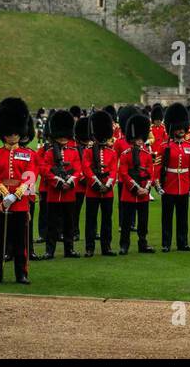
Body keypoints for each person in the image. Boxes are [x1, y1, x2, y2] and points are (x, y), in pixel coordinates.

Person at [0, 97, 35, 285]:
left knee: (20, 242)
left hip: (20, 203)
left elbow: (30, 177)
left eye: (15, 133)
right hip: (0, 203)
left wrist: (15, 195)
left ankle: (21, 273)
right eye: (9, 133)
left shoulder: (28, 154)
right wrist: (5, 194)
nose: (12, 136)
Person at [39, 109, 81, 259]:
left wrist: (69, 181)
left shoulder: (73, 151)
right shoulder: (50, 152)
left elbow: (78, 169)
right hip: (54, 193)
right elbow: (44, 169)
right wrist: (56, 180)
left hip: (69, 193)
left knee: (69, 223)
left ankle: (69, 249)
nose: (63, 138)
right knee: (52, 223)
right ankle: (49, 250)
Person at [157, 103, 190, 252]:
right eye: (178, 128)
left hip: (184, 186)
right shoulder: (164, 146)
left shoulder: (189, 146)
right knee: (167, 218)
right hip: (169, 185)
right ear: (172, 129)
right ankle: (166, 243)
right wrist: (158, 184)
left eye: (182, 128)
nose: (180, 131)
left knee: (182, 218)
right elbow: (158, 167)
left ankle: (182, 242)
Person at [118, 113, 156, 254]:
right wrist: (135, 188)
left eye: (141, 139)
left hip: (143, 193)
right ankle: (124, 245)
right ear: (132, 139)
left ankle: (143, 244)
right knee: (127, 222)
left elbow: (151, 173)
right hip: (129, 193)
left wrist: (146, 189)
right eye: (137, 139)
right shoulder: (125, 154)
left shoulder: (146, 155)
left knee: (143, 221)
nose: (140, 141)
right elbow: (123, 173)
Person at [83, 109, 118, 256]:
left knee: (106, 220)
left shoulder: (112, 152)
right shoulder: (89, 151)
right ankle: (89, 247)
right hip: (93, 190)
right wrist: (97, 184)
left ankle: (106, 246)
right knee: (91, 220)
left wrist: (108, 184)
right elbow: (86, 168)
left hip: (107, 191)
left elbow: (113, 170)